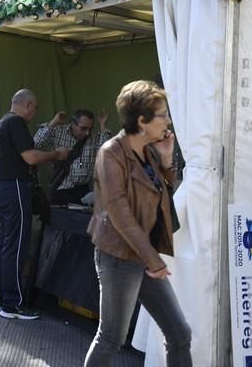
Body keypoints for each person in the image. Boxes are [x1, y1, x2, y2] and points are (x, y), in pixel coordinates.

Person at [84, 80, 191, 366]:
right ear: (142, 121)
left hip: (142, 255)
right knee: (110, 339)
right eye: (163, 114)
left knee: (180, 333)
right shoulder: (111, 153)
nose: (168, 120)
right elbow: (119, 212)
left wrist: (167, 158)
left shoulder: (148, 150)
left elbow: (163, 190)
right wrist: (153, 259)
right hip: (119, 257)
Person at [0, 89, 69, 320]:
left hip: (3, 187)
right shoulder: (15, 123)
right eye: (34, 108)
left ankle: (0, 299)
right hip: (15, 187)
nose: (35, 113)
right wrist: (56, 155)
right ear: (28, 104)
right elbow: (31, 157)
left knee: (5, 243)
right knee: (16, 246)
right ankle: (13, 305)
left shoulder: (3, 123)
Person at [34, 109, 111, 205]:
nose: (87, 133)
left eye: (90, 129)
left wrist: (103, 124)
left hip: (83, 191)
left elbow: (108, 152)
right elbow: (36, 143)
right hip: (60, 188)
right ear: (72, 124)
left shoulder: (93, 136)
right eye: (83, 128)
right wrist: (53, 122)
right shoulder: (59, 132)